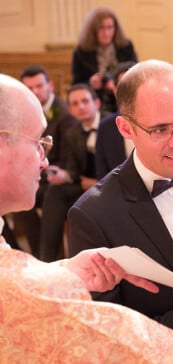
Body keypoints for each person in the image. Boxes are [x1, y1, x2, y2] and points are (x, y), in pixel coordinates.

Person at [0, 72, 173, 364]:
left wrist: (66, 273)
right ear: (126, 128)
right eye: (160, 130)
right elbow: (111, 360)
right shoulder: (93, 212)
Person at [11, 64, 78, 256]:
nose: (35, 92)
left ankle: (43, 257)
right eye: (29, 88)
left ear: (51, 86)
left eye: (39, 86)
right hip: (37, 175)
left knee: (30, 195)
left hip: (58, 178)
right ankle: (19, 254)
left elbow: (68, 158)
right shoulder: (24, 112)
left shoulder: (65, 114)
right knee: (15, 195)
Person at [40, 83, 110, 261]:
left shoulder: (111, 125)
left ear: (97, 103)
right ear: (70, 109)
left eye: (85, 101)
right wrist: (63, 175)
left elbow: (122, 163)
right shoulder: (73, 133)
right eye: (75, 103)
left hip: (110, 185)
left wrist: (97, 182)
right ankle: (48, 260)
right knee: (55, 192)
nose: (81, 107)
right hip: (83, 185)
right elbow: (72, 169)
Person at [72, 6, 138, 114]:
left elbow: (136, 73)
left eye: (110, 27)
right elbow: (76, 85)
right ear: (93, 30)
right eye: (102, 28)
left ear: (115, 28)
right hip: (96, 102)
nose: (106, 33)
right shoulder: (81, 52)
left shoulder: (126, 47)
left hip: (124, 98)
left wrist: (119, 82)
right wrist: (91, 84)